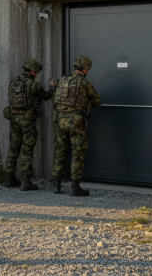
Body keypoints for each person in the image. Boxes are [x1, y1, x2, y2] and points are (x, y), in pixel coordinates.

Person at [51, 55, 101, 197]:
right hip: (76, 122)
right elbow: (97, 101)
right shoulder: (85, 84)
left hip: (61, 121)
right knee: (77, 154)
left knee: (60, 152)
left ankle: (57, 185)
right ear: (85, 69)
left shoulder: (62, 81)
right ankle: (75, 188)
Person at [4, 59, 57, 191]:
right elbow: (46, 96)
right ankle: (26, 181)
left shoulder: (13, 83)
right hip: (27, 121)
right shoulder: (33, 85)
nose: (37, 74)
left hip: (14, 120)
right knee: (27, 149)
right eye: (37, 72)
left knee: (14, 148)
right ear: (32, 71)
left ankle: (10, 178)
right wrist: (52, 87)